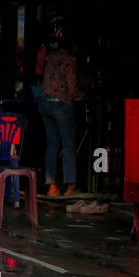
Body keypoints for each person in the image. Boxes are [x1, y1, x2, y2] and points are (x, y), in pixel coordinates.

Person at [40, 25, 84, 196]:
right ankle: (70, 186)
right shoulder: (70, 61)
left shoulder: (50, 58)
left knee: (52, 145)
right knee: (68, 145)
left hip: (45, 103)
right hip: (61, 105)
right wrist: (82, 96)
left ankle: (52, 186)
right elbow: (72, 90)